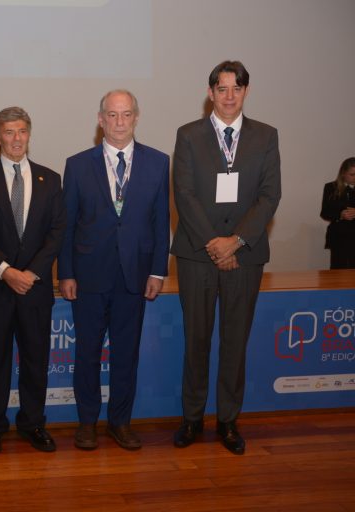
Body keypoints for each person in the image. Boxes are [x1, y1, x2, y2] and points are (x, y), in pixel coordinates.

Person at [171, 60, 281, 455]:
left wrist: (235, 241)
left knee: (235, 342)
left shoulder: (266, 135)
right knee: (196, 340)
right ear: (210, 92)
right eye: (222, 88)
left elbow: (270, 195)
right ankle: (192, 418)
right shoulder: (188, 135)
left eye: (237, 88)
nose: (229, 96)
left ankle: (228, 421)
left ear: (246, 91)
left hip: (246, 255)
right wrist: (214, 244)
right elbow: (184, 194)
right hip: (197, 254)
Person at [58, 90, 170, 451]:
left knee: (126, 354)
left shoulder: (158, 162)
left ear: (136, 117)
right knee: (87, 353)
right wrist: (66, 272)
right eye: (112, 114)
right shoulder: (77, 165)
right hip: (89, 276)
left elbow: (161, 221)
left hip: (134, 276)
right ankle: (87, 423)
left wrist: (158, 271)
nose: (119, 122)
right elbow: (67, 225)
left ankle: (120, 422)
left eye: (126, 114)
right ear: (100, 119)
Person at [0, 107, 65, 456]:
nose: (16, 138)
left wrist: (31, 273)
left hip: (35, 288)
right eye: (9, 132)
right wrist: (6, 271)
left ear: (29, 134)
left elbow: (56, 233)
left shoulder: (50, 179)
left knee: (35, 361)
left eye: (22, 131)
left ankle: (33, 423)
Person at [320, 157, 355, 269]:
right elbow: (324, 213)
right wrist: (340, 214)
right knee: (338, 270)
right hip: (338, 237)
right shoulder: (330, 188)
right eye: (352, 174)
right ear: (343, 173)